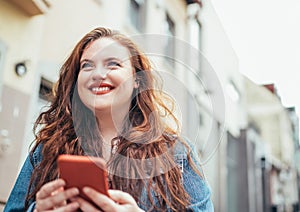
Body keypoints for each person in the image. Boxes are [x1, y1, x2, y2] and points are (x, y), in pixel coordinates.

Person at [4, 27, 214, 212]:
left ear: (137, 81)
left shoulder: (176, 154)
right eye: (86, 66)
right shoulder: (46, 148)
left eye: (113, 64)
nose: (97, 74)